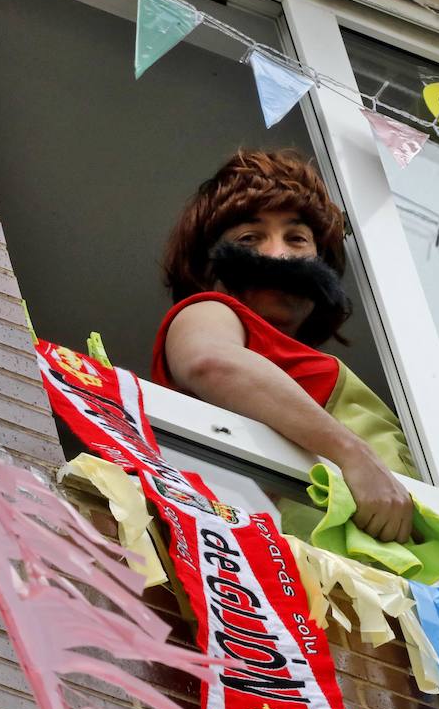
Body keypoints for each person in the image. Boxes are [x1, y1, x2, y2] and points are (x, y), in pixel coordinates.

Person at [152, 150, 417, 543]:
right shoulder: (210, 311)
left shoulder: (308, 361)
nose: (278, 254)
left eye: (296, 239)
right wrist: (351, 453)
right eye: (250, 238)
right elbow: (210, 361)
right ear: (213, 268)